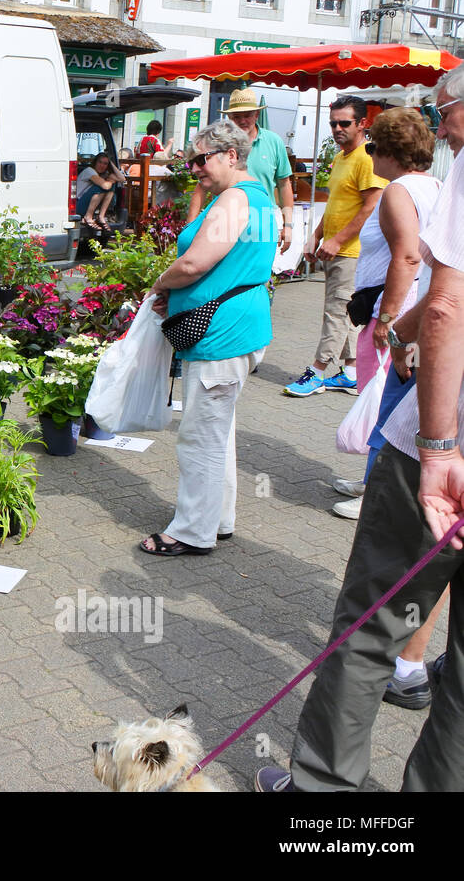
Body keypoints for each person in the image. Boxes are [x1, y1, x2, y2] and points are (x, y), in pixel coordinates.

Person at [255, 85, 464, 791]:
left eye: (447, 103)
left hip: (446, 445)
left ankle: (325, 800)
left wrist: (437, 447)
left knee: (370, 623)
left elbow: (447, 301)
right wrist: (397, 331)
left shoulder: (441, 178)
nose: (441, 118)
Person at [140, 120, 276, 556]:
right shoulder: (257, 198)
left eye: (201, 159)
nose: (194, 168)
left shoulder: (235, 199)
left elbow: (195, 264)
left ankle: (191, 532)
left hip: (221, 335)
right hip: (237, 327)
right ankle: (218, 520)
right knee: (219, 431)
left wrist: (161, 284)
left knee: (201, 436)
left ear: (231, 156)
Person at [332, 107, 442, 523]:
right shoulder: (434, 186)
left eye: (375, 145)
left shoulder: (399, 191)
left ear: (391, 150)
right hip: (415, 307)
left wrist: (388, 321)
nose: (371, 154)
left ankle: (375, 495)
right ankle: (370, 482)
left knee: (386, 403)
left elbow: (408, 256)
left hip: (398, 310)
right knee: (389, 400)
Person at [284, 95, 388, 397]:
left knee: (336, 312)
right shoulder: (341, 157)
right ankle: (352, 372)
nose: (337, 128)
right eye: (333, 123)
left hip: (351, 251)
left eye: (345, 123)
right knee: (346, 312)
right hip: (335, 247)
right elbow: (336, 205)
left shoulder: (366, 157)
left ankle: (316, 371)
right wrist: (316, 235)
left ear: (362, 123)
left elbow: (371, 205)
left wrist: (338, 239)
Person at [186, 87, 294, 251]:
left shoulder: (274, 142)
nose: (242, 120)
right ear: (229, 118)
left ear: (256, 115)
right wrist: (190, 226)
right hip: (225, 215)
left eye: (247, 115)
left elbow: (285, 185)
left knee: (258, 270)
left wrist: (288, 225)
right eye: (237, 116)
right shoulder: (220, 145)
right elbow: (201, 186)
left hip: (263, 217)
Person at [77, 152, 127, 232]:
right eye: (100, 162)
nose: (102, 165)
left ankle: (101, 216)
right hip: (78, 205)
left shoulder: (103, 174)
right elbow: (105, 186)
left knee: (110, 189)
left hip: (87, 205)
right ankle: (88, 217)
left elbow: (122, 179)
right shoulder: (89, 171)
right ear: (95, 162)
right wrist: (111, 181)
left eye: (105, 164)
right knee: (103, 187)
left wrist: (111, 164)